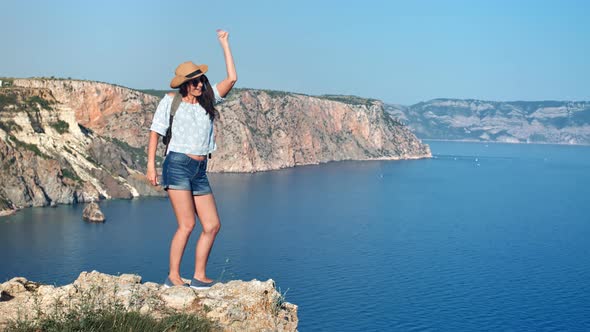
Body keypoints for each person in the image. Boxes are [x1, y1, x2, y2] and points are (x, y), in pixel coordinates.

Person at [146, 29, 237, 289]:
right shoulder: (170, 102)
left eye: (202, 80)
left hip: (199, 168)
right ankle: (173, 277)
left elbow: (232, 78)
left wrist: (225, 44)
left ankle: (199, 276)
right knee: (187, 224)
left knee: (212, 225)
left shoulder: (208, 101)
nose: (200, 85)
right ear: (184, 83)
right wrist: (151, 166)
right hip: (176, 165)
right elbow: (155, 133)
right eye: (195, 81)